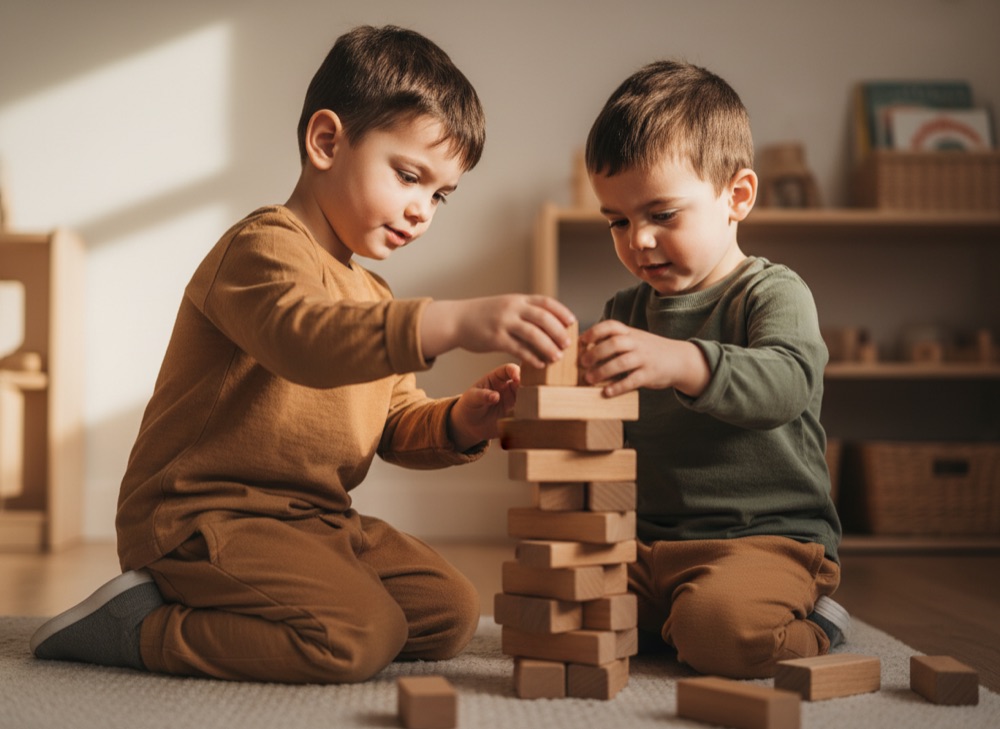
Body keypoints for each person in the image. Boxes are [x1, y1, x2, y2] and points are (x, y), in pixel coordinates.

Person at [30, 25, 576, 684]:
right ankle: (141, 626)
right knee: (359, 635)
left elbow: (395, 422)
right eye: (408, 175)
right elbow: (305, 337)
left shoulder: (373, 291)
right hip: (204, 516)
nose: (421, 210)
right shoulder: (261, 248)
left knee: (449, 612)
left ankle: (280, 599)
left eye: (439, 195)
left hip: (316, 521)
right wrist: (452, 320)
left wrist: (466, 420)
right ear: (327, 142)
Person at [576, 59, 849, 679]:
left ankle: (819, 623)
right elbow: (604, 423)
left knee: (719, 636)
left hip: (764, 540)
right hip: (649, 542)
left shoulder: (772, 293)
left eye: (661, 215)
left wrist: (679, 360)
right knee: (568, 608)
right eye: (618, 221)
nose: (637, 240)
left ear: (738, 197)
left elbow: (785, 384)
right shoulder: (625, 309)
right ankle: (673, 612)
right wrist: (549, 397)